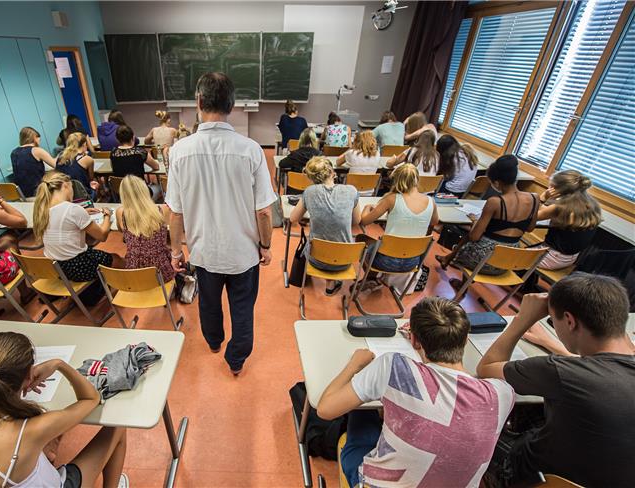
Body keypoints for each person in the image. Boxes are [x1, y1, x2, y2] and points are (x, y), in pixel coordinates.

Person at [318, 297, 515, 488]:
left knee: (361, 412)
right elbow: (486, 372)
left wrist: (355, 364)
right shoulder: (502, 394)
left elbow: (326, 409)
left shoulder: (393, 366)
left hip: (375, 483)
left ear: (414, 340)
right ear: (465, 339)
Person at [477, 273, 635, 487]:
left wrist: (524, 319)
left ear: (569, 321)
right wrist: (554, 345)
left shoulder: (558, 371)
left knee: (479, 422)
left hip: (536, 477)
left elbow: (486, 368)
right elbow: (605, 369)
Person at [166, 72, 276, 376]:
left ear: (199, 102)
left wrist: (176, 252)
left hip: (204, 252)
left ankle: (214, 341)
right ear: (232, 105)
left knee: (209, 304)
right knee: (243, 309)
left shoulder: (179, 151)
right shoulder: (251, 149)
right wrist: (265, 246)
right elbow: (264, 212)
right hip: (243, 253)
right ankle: (236, 360)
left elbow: (174, 212)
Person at [0, 332, 128, 488]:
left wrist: (10, 388)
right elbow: (91, 398)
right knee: (118, 427)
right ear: (29, 375)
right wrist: (58, 364)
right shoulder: (32, 430)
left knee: (47, 447)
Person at [436, 155, 538, 278]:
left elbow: (474, 237)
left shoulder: (495, 202)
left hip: (485, 260)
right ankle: (448, 259)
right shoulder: (534, 198)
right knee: (480, 237)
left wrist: (475, 221)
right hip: (509, 261)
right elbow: (530, 228)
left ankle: (451, 263)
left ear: (496, 182)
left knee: (471, 236)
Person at [32, 171, 122, 305]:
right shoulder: (72, 209)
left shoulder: (41, 209)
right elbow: (102, 236)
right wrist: (108, 216)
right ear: (65, 186)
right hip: (78, 267)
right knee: (117, 259)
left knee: (89, 243)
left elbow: (61, 218)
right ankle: (131, 286)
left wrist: (83, 212)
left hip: (57, 268)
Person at [359, 164, 438, 291]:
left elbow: (364, 221)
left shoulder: (391, 199)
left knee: (362, 239)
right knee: (386, 245)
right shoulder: (430, 201)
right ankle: (375, 279)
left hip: (386, 262)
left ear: (396, 180)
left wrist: (367, 207)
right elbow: (434, 221)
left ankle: (371, 278)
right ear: (417, 179)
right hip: (412, 262)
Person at [289, 156, 360, 295]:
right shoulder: (351, 191)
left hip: (317, 259)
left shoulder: (309, 192)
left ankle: (325, 281)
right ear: (332, 172)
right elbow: (356, 221)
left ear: (311, 178)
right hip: (345, 259)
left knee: (318, 240)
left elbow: (293, 218)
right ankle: (330, 285)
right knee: (334, 239)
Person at [534, 170, 602, 270]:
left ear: (557, 190)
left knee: (513, 256)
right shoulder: (592, 204)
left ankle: (527, 280)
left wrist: (543, 198)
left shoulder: (561, 207)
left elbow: (532, 216)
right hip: (570, 258)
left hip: (552, 258)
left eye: (551, 186)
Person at [115, 176, 175, 284]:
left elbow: (121, 231)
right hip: (161, 273)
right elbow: (169, 235)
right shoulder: (162, 210)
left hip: (135, 274)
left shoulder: (121, 213)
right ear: (145, 190)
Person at [10, 127, 57, 198]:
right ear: (35, 138)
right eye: (39, 139)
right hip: (38, 193)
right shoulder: (37, 150)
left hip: (22, 195)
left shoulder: (13, 152)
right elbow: (56, 165)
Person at [56, 132, 99, 199]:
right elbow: (91, 178)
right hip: (83, 197)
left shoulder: (60, 158)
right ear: (84, 144)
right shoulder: (87, 159)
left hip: (63, 195)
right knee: (95, 184)